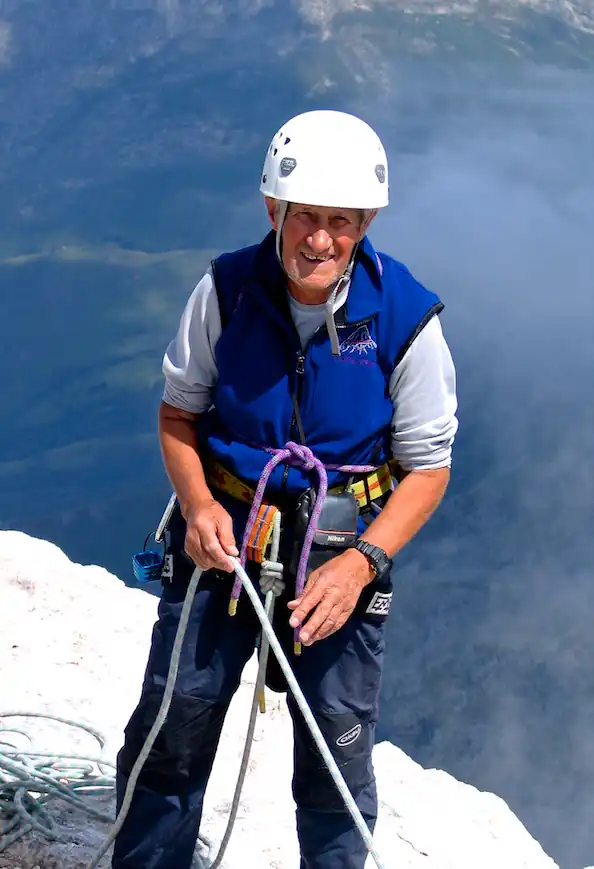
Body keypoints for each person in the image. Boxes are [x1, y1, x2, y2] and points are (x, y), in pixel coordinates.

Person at [112, 109, 458, 869]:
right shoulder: (227, 291)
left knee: (336, 757)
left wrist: (362, 563)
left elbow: (428, 468)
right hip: (224, 543)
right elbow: (178, 413)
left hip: (338, 556)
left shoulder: (404, 317)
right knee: (173, 732)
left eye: (341, 222)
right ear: (274, 209)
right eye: (306, 216)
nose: (320, 240)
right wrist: (199, 506)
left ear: (365, 224)